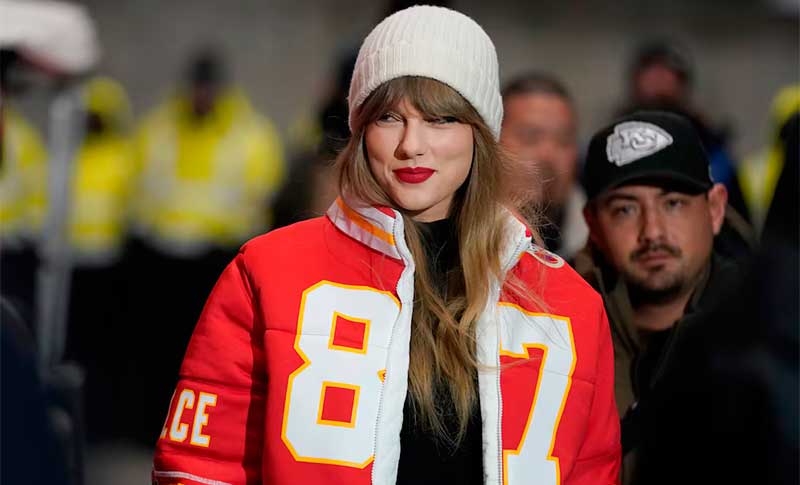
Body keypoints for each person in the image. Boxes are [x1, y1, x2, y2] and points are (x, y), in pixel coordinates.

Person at [152, 6, 620, 485]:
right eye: (389, 117)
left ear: (479, 133)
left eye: (440, 118)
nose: (411, 145)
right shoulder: (267, 272)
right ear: (360, 131)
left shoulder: (570, 305)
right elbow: (198, 469)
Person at [123, 48, 287, 444]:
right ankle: (156, 427)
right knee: (159, 351)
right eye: (197, 87)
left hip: (218, 259)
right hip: (161, 257)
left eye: (208, 88)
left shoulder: (251, 135)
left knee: (213, 354)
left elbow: (262, 196)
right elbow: (136, 186)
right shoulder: (159, 128)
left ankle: (204, 432)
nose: (202, 96)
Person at [575, 111, 739, 481]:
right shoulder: (557, 337)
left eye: (673, 203)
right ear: (593, 226)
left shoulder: (768, 334)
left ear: (715, 209)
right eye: (625, 209)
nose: (652, 231)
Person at [500, 72, 588, 260]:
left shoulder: (599, 245)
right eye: (530, 137)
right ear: (492, 144)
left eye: (564, 140)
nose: (548, 155)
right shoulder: (458, 242)